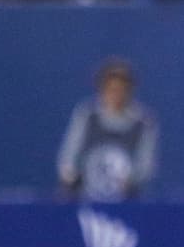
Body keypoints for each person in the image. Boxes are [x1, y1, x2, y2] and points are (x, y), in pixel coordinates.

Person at [57, 58, 158, 201]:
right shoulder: (87, 115)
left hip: (127, 200)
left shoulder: (143, 122)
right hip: (84, 198)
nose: (116, 95)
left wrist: (132, 180)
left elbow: (146, 165)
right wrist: (70, 175)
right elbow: (70, 155)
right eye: (111, 89)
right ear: (102, 89)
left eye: (122, 89)